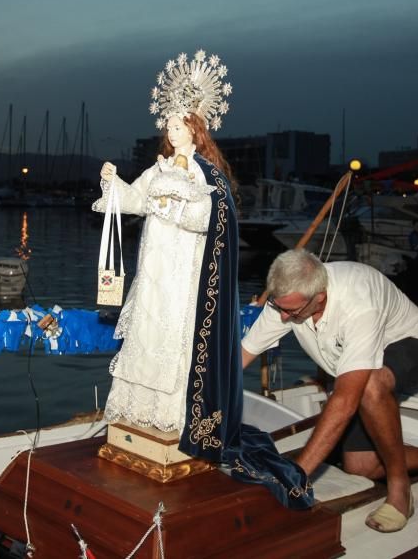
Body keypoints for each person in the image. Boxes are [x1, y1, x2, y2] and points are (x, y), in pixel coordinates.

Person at [94, 50, 310, 509]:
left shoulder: (205, 176)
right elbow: (134, 201)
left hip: (183, 275)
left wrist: (174, 207)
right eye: (167, 128)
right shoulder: (158, 168)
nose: (170, 135)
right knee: (146, 333)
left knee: (173, 339)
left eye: (178, 128)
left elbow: (210, 222)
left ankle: (174, 422)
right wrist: (114, 185)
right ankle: (138, 419)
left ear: (195, 129)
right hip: (153, 271)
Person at [242, 250, 418, 532]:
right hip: (358, 364)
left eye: (291, 311)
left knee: (371, 386)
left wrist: (295, 476)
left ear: (319, 297)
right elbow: (240, 355)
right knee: (362, 467)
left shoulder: (358, 303)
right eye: (279, 307)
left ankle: (400, 490)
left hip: (410, 343)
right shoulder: (286, 301)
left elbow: (347, 398)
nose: (283, 317)